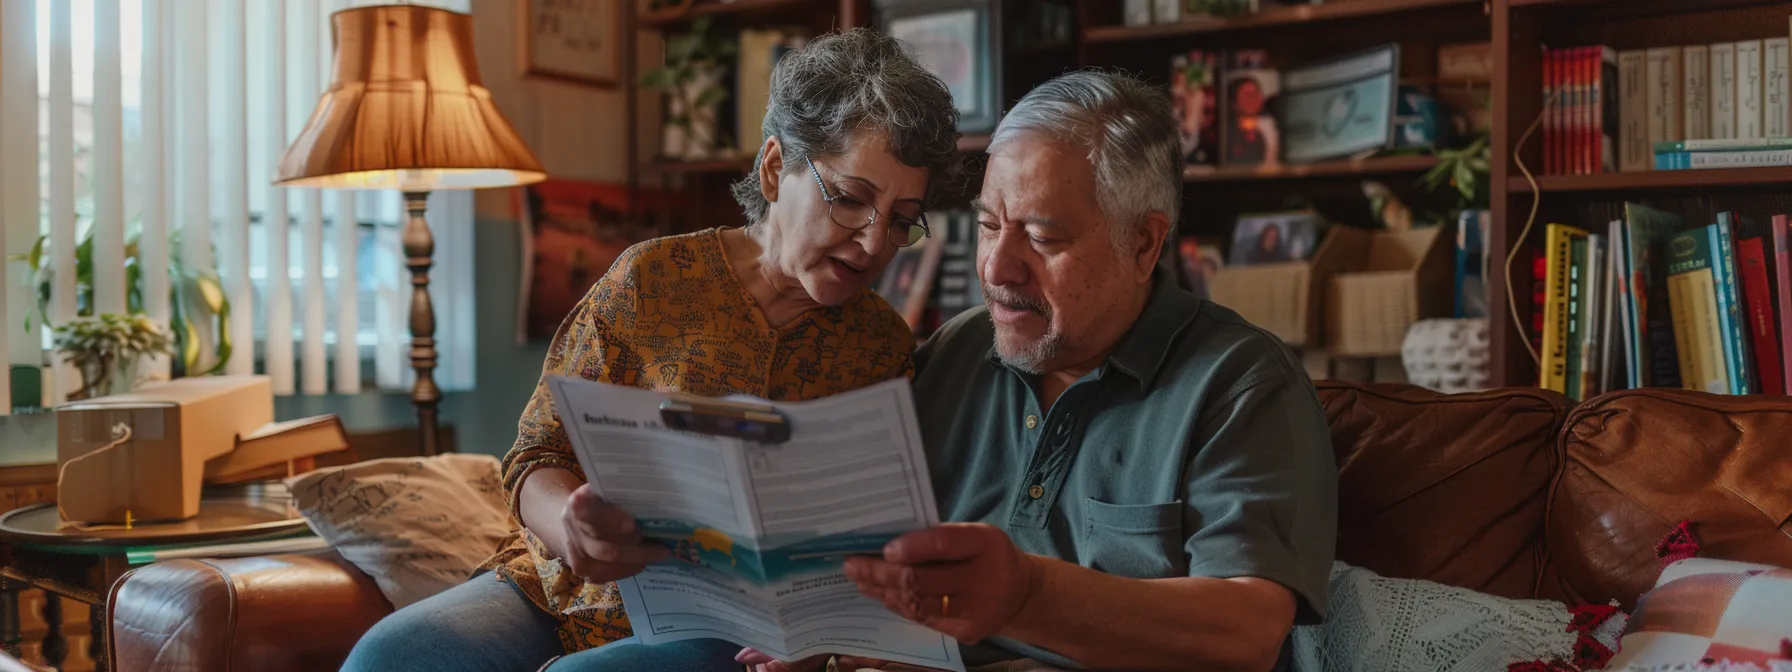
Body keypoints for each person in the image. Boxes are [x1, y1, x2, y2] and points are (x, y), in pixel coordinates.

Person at [341, 28, 961, 672]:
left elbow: (872, 536)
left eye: (899, 219)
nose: (872, 244)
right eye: (852, 200)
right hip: (560, 594)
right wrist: (570, 529)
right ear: (776, 168)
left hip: (726, 627)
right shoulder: (652, 280)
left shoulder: (881, 346)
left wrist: (823, 637)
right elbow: (536, 453)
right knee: (391, 653)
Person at [743, 70, 1337, 672]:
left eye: (1042, 236)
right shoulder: (954, 353)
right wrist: (823, 633)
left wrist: (1028, 596)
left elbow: (1247, 633)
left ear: (1143, 244)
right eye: (989, 225)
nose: (998, 267)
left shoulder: (1240, 384)